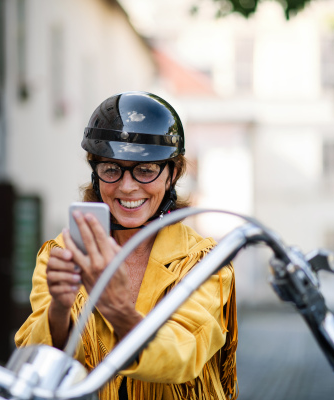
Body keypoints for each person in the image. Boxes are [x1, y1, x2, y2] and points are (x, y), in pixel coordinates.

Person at [15, 91, 238, 399]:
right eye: (111, 169)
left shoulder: (203, 262)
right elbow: (37, 363)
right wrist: (60, 309)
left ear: (172, 174)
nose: (127, 185)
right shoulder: (62, 252)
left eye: (146, 170)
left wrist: (119, 311)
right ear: (96, 173)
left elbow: (183, 356)